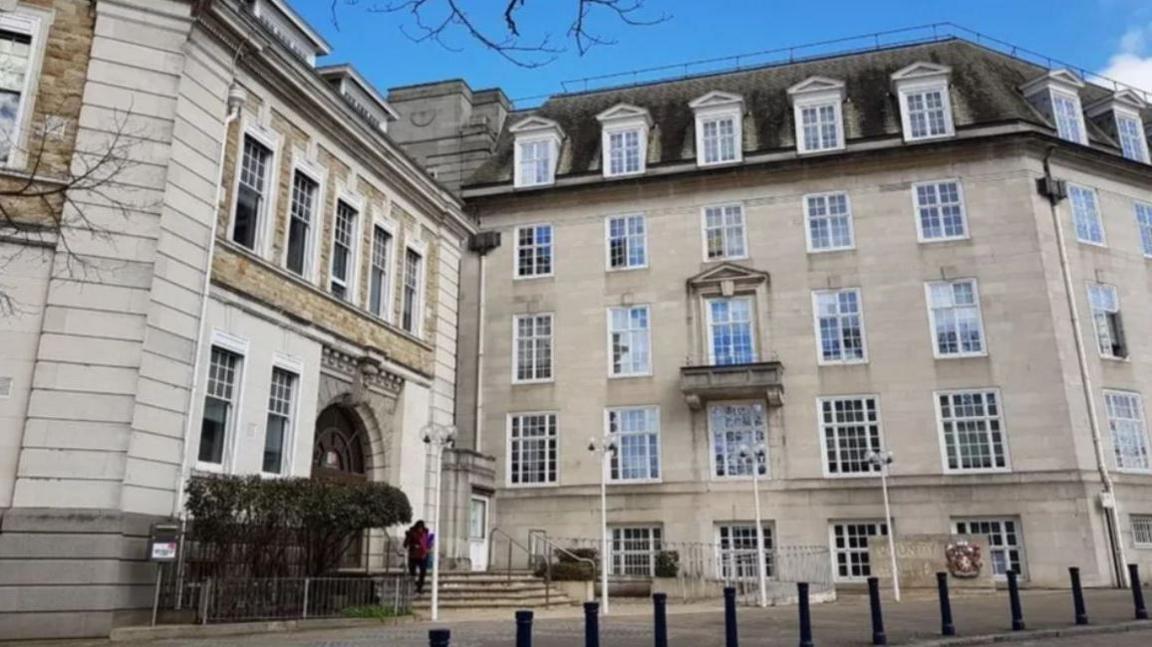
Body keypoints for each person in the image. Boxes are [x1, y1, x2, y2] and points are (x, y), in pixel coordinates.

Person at [403, 520, 430, 594]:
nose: (420, 530)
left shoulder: (425, 533)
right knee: (412, 572)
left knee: (423, 571)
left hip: (422, 555)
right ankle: (412, 586)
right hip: (413, 555)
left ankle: (419, 587)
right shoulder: (411, 533)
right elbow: (405, 544)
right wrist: (413, 545)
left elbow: (427, 543)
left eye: (422, 528)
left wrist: (427, 548)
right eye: (419, 528)